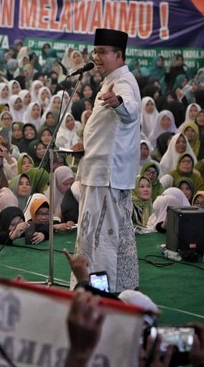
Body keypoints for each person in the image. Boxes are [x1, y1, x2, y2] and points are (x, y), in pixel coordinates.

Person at [73, 28, 140, 293]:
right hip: (99, 173)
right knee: (103, 237)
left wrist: (119, 103)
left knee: (102, 241)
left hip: (107, 176)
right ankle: (115, 288)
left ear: (119, 55)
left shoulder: (123, 83)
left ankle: (100, 293)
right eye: (96, 51)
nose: (97, 57)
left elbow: (130, 109)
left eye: (103, 52)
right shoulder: (109, 81)